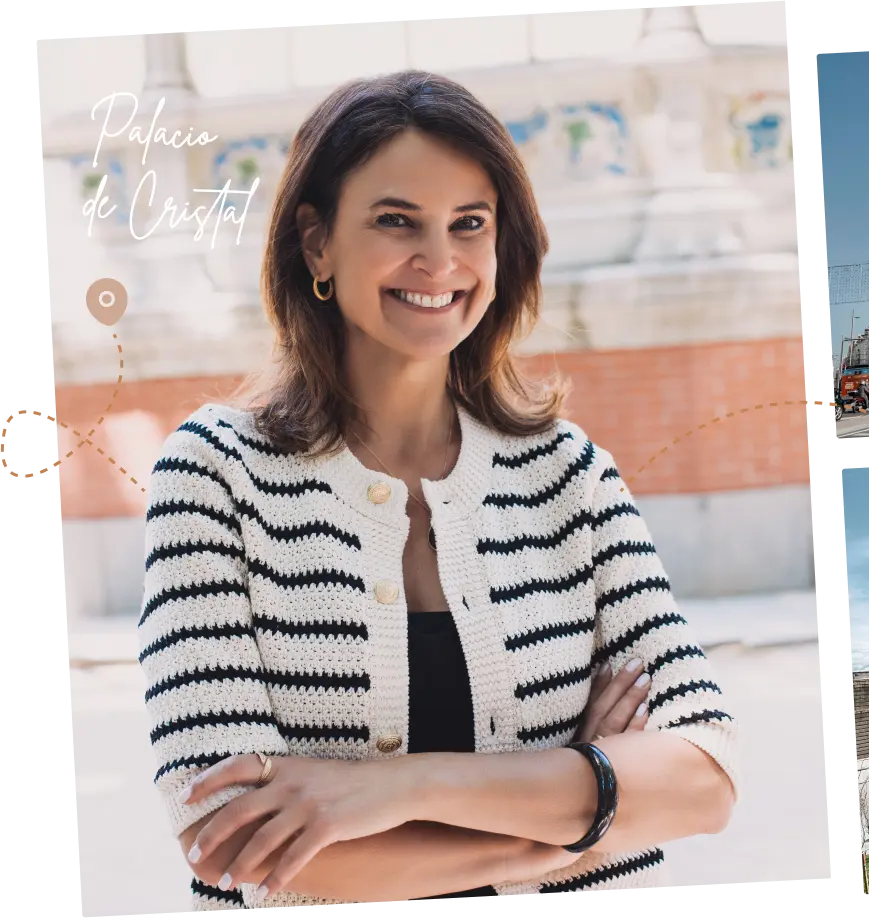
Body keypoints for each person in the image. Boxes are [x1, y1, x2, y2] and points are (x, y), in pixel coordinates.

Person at [136, 71, 739, 912]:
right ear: (316, 243)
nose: (440, 260)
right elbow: (228, 836)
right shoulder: (215, 473)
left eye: (469, 224)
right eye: (395, 221)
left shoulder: (570, 472)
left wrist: (396, 790)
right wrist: (580, 817)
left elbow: (704, 780)